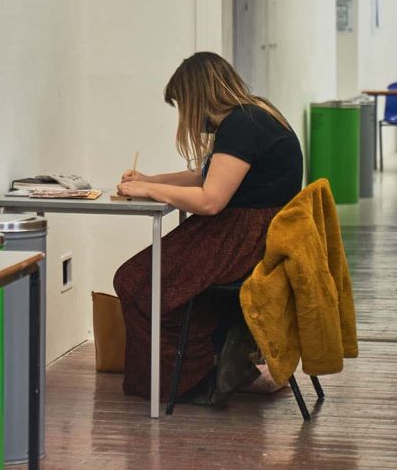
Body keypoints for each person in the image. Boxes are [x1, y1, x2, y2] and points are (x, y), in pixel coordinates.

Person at [113, 51, 303, 404]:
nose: (186, 116)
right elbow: (207, 176)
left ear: (197, 97)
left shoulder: (242, 125)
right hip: (253, 232)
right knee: (166, 283)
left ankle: (193, 380)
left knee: (134, 281)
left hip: (241, 237)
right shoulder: (256, 114)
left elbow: (210, 199)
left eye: (183, 104)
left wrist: (149, 190)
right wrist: (149, 179)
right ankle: (212, 365)